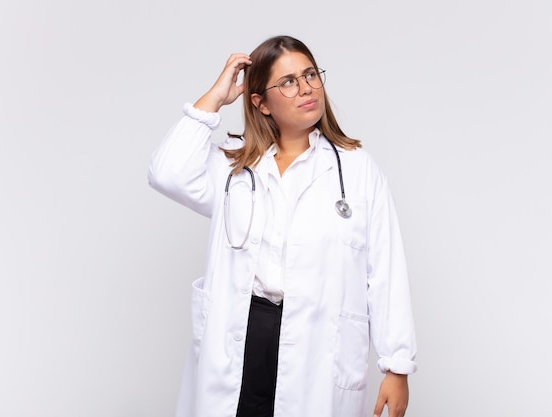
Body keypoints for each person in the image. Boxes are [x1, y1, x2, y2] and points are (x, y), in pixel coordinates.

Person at [148, 35, 417, 417]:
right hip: (243, 336)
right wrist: (215, 98)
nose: (306, 87)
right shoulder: (234, 167)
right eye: (288, 81)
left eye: (310, 75)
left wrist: (397, 364)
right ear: (260, 102)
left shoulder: (356, 169)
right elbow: (166, 172)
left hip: (317, 344)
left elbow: (386, 269)